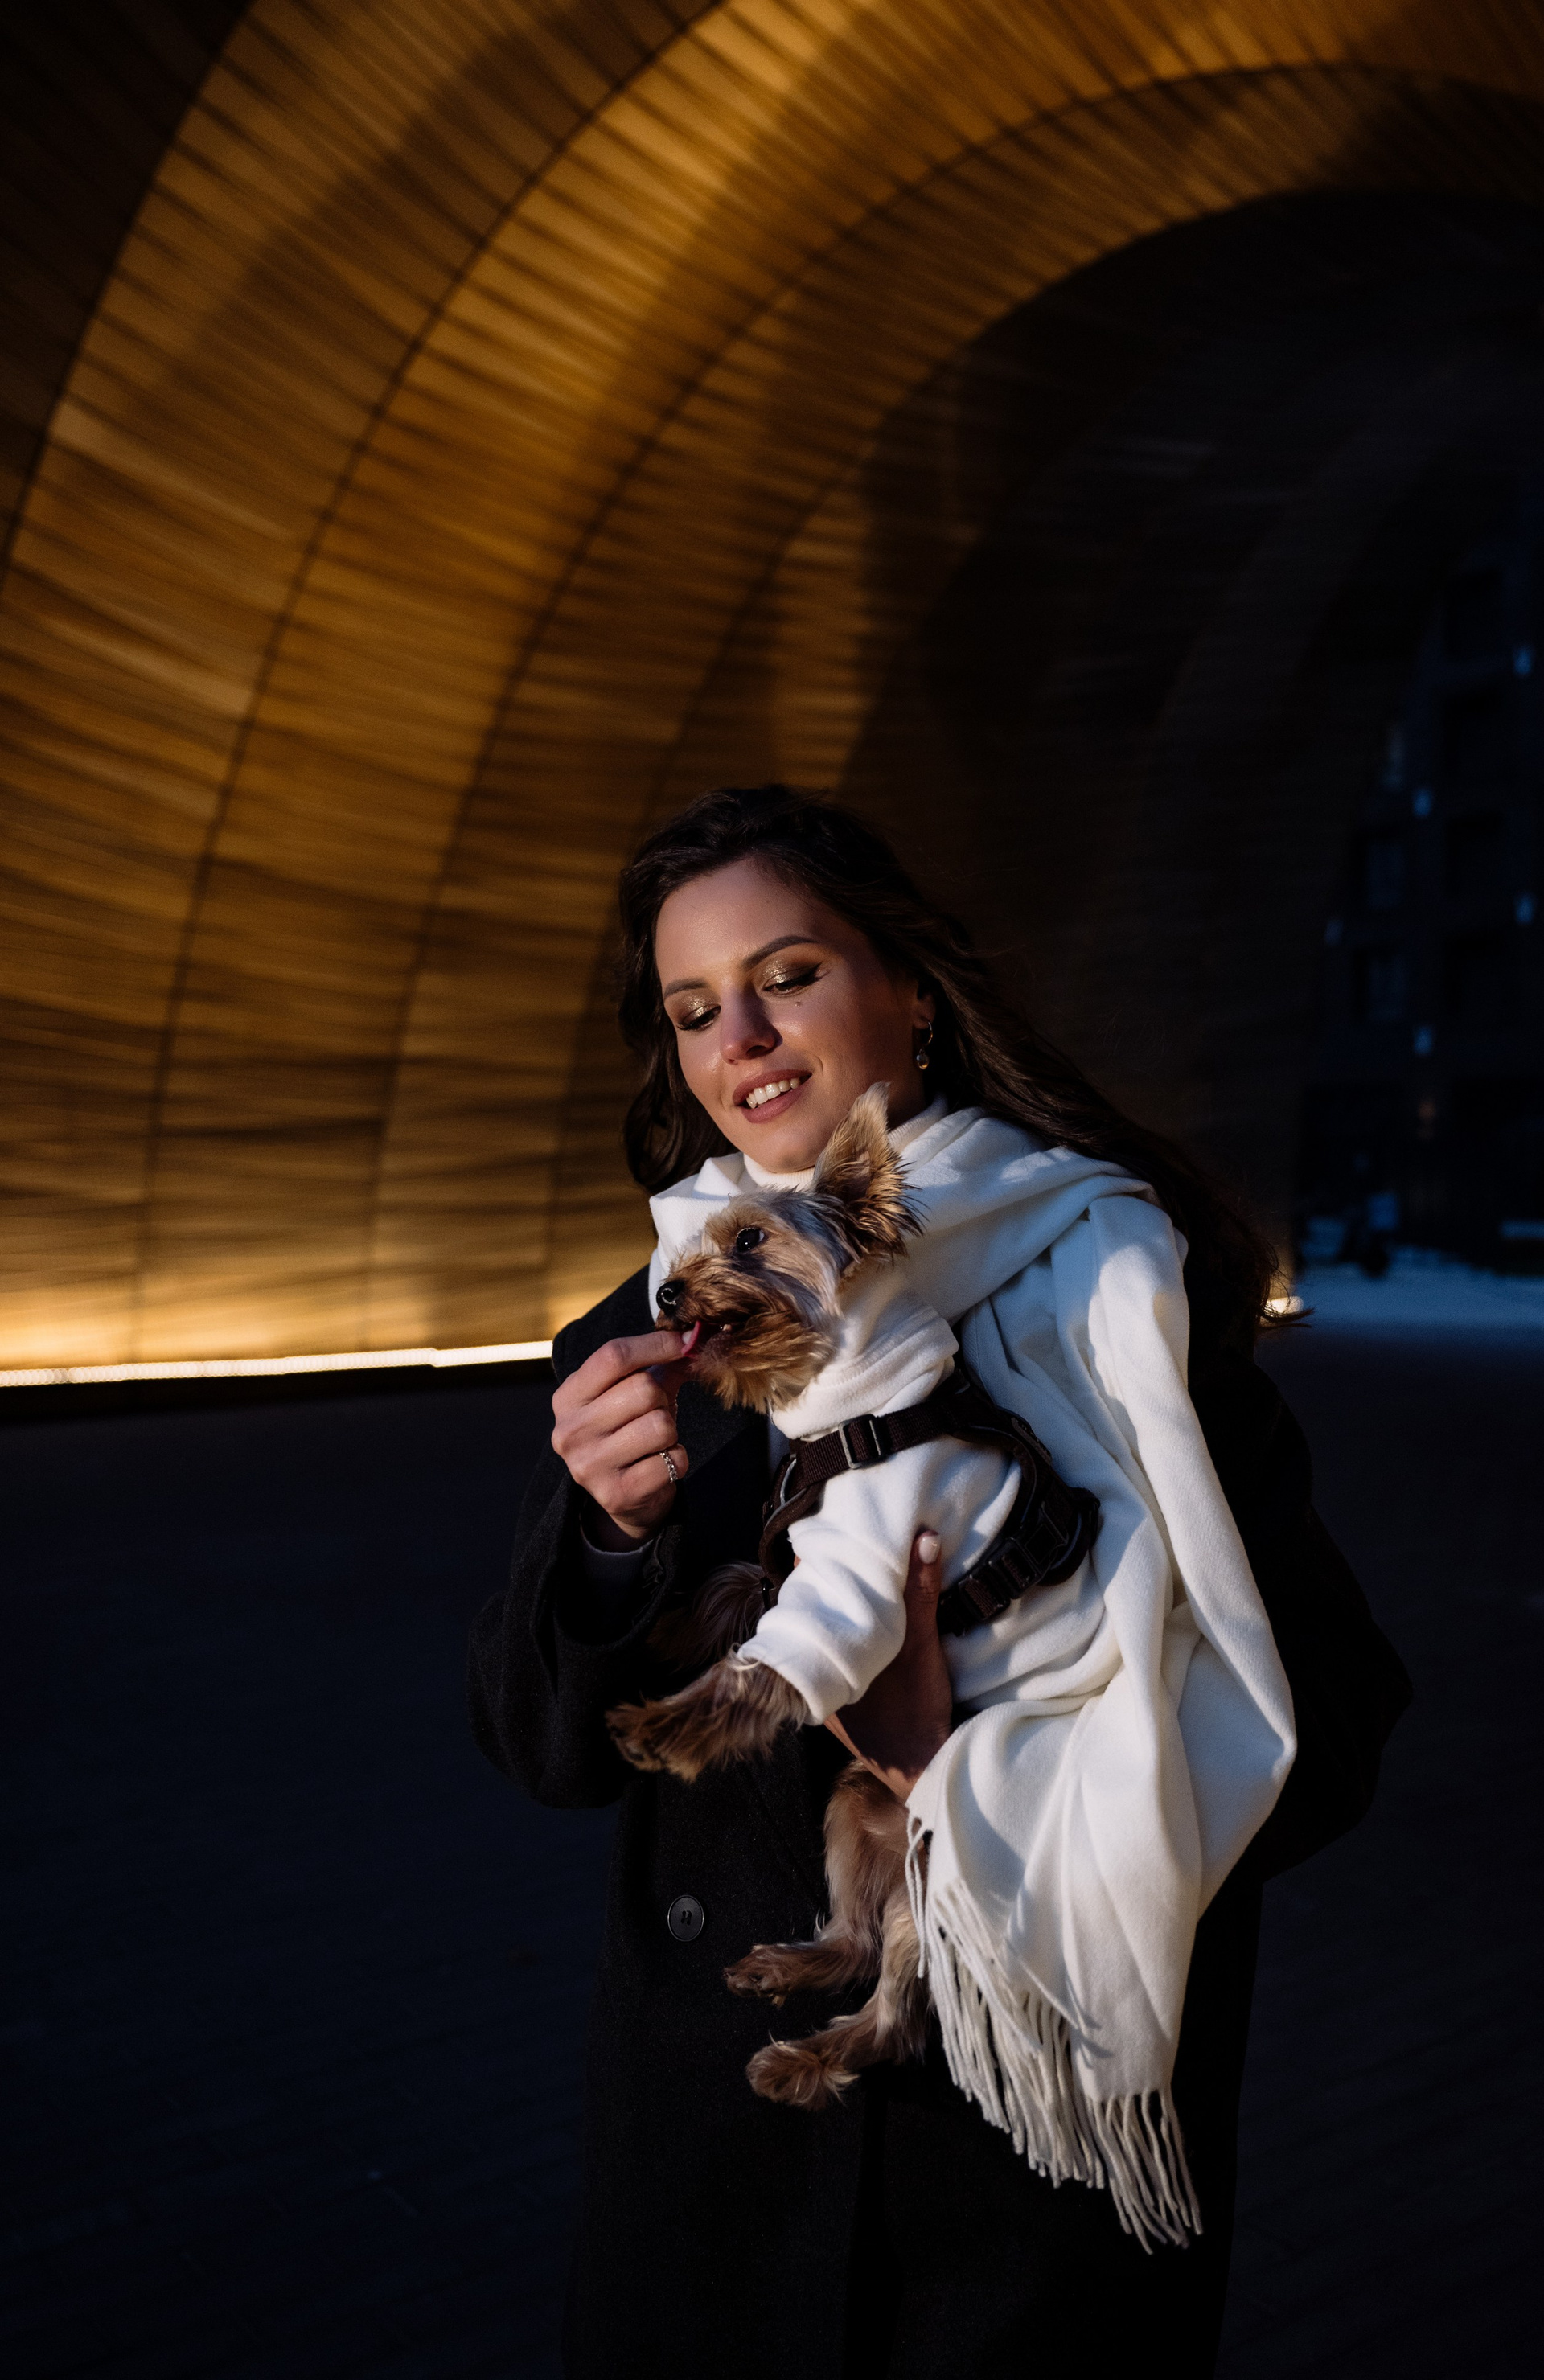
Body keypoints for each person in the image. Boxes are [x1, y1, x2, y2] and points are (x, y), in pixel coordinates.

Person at [468, 786, 1411, 2379]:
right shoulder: (648, 1334)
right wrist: (610, 1536)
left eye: (787, 975)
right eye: (694, 1009)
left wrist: (975, 1766)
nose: (742, 1038)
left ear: (910, 986)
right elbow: (546, 1750)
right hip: (714, 2177)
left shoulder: (1123, 1289)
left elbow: (1333, 1717)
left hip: (1026, 2173)